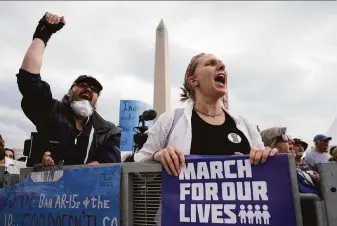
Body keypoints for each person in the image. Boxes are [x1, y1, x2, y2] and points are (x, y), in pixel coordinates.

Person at [134, 53, 277, 176]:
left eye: (221, 65)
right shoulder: (170, 120)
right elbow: (139, 160)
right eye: (211, 63)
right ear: (193, 81)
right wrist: (156, 156)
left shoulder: (245, 124)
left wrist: (266, 157)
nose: (222, 66)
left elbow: (264, 167)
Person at [16, 12, 121, 166]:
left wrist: (85, 171)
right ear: (71, 90)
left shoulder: (108, 130)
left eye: (94, 89)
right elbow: (29, 80)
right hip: (45, 188)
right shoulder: (51, 110)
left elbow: (111, 161)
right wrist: (43, 33)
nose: (88, 89)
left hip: (87, 189)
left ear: (97, 98)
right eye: (82, 85)